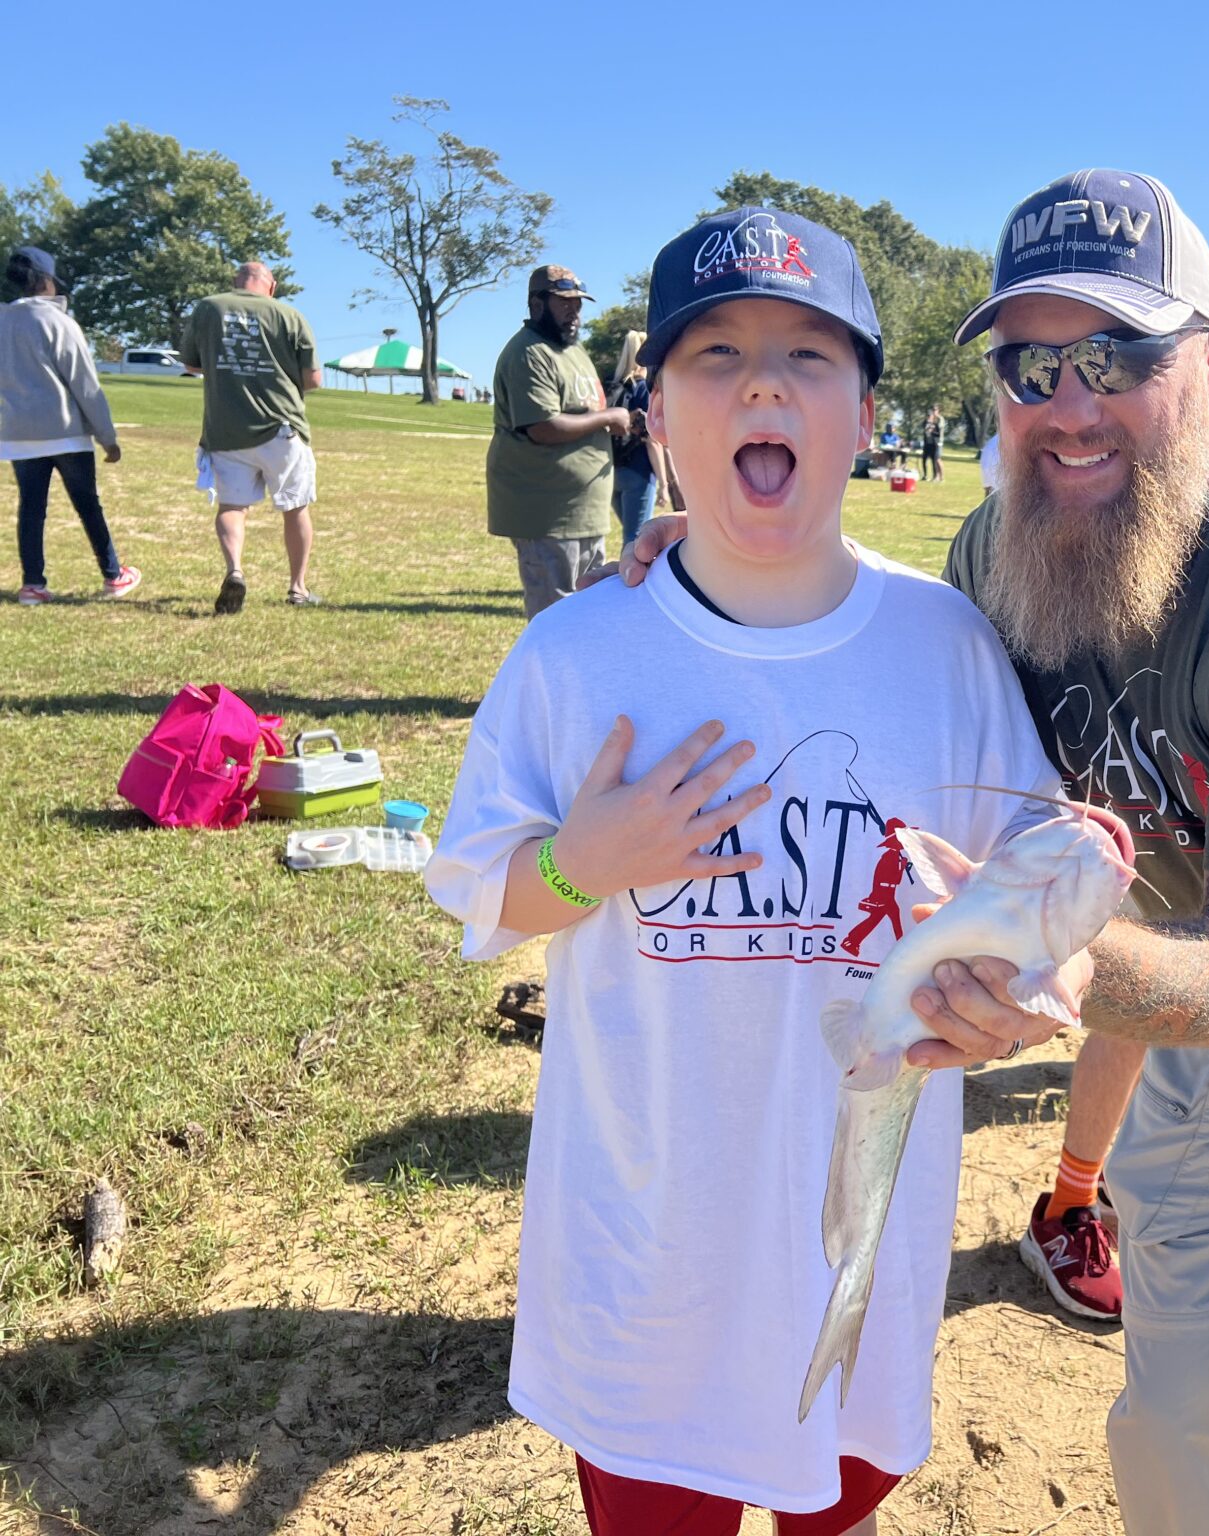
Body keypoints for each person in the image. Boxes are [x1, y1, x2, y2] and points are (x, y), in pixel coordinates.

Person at [621, 165, 1209, 1536]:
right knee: (1185, 1464)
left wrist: (1054, 977)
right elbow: (864, 649)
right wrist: (725, 551)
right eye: (1030, 369)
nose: (1068, 406)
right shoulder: (1008, 544)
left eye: (1118, 356)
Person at [427, 206, 1070, 1536]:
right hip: (646, 1259)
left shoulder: (943, 647)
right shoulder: (578, 654)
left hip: (858, 1254)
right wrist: (581, 861)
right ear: (655, 415)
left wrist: (1002, 971)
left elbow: (1043, 888)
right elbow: (486, 891)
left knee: (839, 1504)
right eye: (713, 354)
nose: (762, 381)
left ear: (866, 418)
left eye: (807, 356)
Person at [487, 266, 630, 618]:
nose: (575, 311)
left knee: (586, 612)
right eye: (564, 303)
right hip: (548, 511)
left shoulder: (574, 352)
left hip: (585, 511)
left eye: (578, 304)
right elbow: (542, 426)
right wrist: (609, 418)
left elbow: (587, 410)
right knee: (555, 617)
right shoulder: (529, 353)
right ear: (537, 303)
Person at [1, 247, 140, 604]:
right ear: (47, 280)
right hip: (66, 432)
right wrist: (107, 437)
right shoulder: (59, 323)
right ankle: (113, 575)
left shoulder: (4, 321)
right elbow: (85, 385)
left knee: (31, 508)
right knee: (87, 504)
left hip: (20, 434)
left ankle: (33, 584)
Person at [179, 261, 320, 612]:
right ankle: (298, 588)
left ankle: (235, 570)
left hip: (226, 428)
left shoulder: (209, 308)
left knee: (232, 506)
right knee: (295, 506)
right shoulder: (289, 315)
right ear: (270, 287)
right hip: (281, 428)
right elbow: (313, 379)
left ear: (236, 283)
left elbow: (191, 364)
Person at [603, 330, 679, 554]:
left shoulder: (613, 390)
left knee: (629, 532)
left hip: (613, 472)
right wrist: (664, 485)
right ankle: (630, 583)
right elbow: (652, 441)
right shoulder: (643, 390)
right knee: (635, 539)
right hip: (639, 472)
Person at [920, 407, 944, 482]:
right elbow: (923, 427)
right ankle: (925, 475)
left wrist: (932, 431)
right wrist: (927, 425)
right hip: (926, 444)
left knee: (934, 461)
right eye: (928, 416)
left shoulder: (936, 424)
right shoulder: (925, 423)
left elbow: (938, 434)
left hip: (933, 444)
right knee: (924, 459)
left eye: (930, 416)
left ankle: (935, 476)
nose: (929, 417)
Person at [978, 430, 1001, 495]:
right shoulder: (1013, 442)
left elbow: (987, 485)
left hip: (992, 491)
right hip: (1003, 493)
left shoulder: (990, 444)